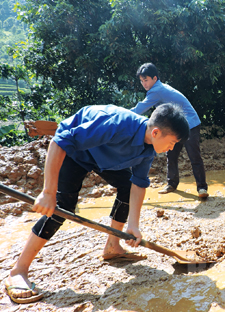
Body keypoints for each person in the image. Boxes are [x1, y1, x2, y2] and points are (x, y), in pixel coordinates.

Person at [4, 104, 189, 304]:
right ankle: (19, 271)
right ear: (156, 132)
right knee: (61, 210)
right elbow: (60, 141)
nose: (171, 148)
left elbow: (138, 184)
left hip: (101, 158)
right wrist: (48, 192)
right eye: (171, 143)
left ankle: (112, 246)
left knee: (126, 186)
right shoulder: (117, 125)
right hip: (75, 153)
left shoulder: (148, 149)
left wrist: (133, 225)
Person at [131, 63, 209, 198]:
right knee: (171, 155)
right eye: (142, 81)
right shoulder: (158, 88)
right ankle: (171, 184)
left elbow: (139, 109)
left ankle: (202, 188)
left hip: (190, 123)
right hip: (175, 126)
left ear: (154, 78)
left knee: (194, 156)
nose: (144, 84)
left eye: (146, 80)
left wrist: (120, 115)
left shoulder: (157, 90)